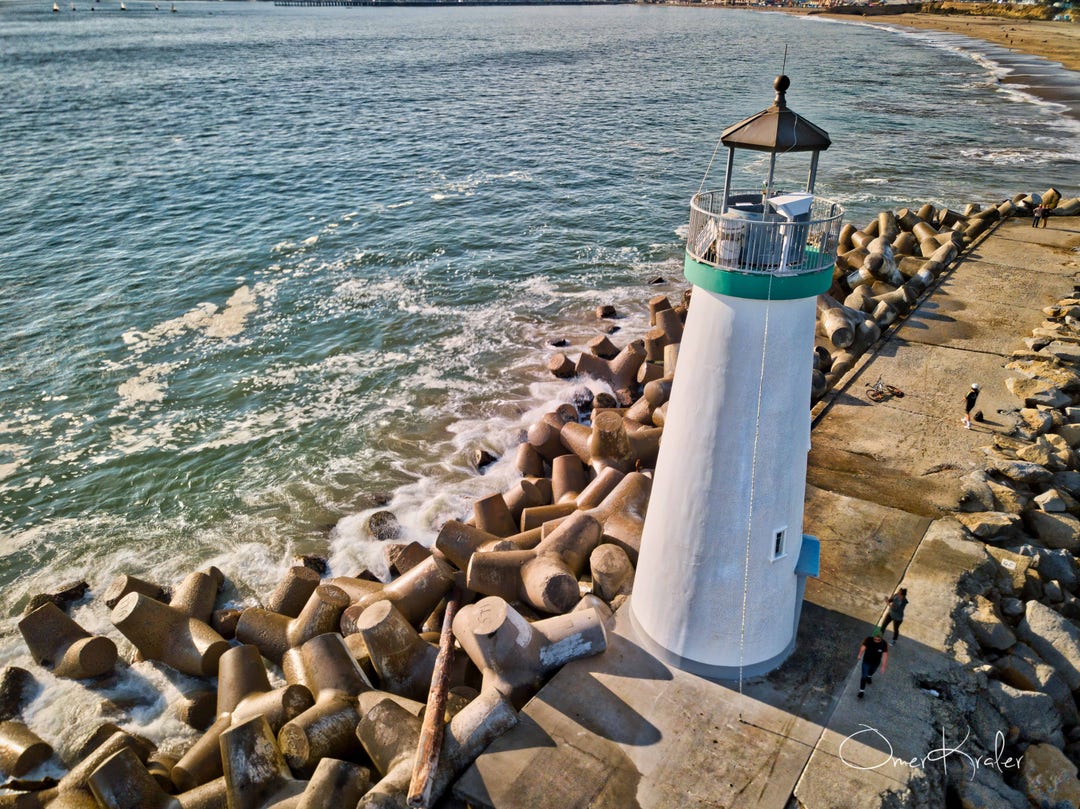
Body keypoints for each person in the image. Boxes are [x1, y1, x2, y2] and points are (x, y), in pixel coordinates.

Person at [857, 629, 888, 699]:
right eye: (875, 639)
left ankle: (869, 676)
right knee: (864, 676)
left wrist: (883, 666)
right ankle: (861, 691)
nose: (876, 640)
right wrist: (860, 654)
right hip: (866, 662)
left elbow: (885, 655)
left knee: (872, 672)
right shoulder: (868, 639)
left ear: (881, 638)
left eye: (878, 639)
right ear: (873, 636)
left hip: (876, 663)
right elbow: (863, 647)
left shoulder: (884, 644)